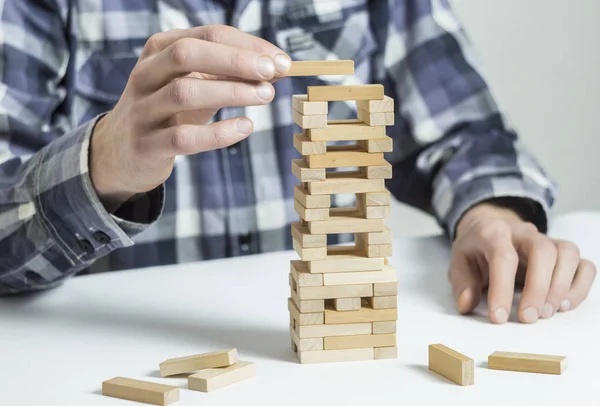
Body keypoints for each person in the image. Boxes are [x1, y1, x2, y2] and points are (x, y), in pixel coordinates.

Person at [0, 0, 595, 325]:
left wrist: (491, 214)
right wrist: (100, 163)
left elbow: (467, 134)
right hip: (117, 345)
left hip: (332, 355)